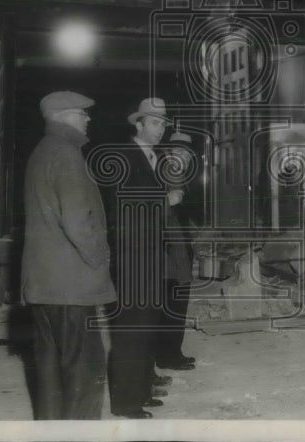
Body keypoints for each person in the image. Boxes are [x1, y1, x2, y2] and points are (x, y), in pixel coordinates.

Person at [21, 91, 115, 420]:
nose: (88, 119)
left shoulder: (42, 151)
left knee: (50, 374)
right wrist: (100, 257)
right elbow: (77, 221)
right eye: (81, 113)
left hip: (45, 285)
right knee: (84, 373)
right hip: (71, 286)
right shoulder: (66, 154)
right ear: (62, 117)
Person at [103, 97, 170, 418]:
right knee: (130, 330)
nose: (161, 129)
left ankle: (141, 390)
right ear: (138, 124)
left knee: (145, 327)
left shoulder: (153, 156)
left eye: (163, 123)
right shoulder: (126, 156)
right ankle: (125, 402)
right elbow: (120, 210)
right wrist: (164, 199)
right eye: (155, 123)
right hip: (133, 258)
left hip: (150, 256)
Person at [154, 131, 198, 372]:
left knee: (175, 303)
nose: (184, 157)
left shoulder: (180, 177)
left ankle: (171, 353)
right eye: (179, 152)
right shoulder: (165, 173)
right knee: (170, 304)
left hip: (178, 251)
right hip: (167, 252)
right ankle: (167, 355)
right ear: (168, 153)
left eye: (188, 154)